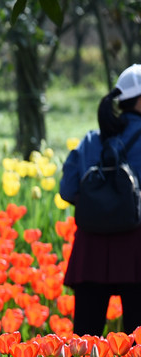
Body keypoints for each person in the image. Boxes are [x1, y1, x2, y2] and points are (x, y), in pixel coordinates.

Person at [59, 64, 141, 337]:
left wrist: (102, 205)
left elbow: (68, 190)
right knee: (139, 348)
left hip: (91, 249)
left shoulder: (91, 140)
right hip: (136, 249)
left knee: (83, 346)